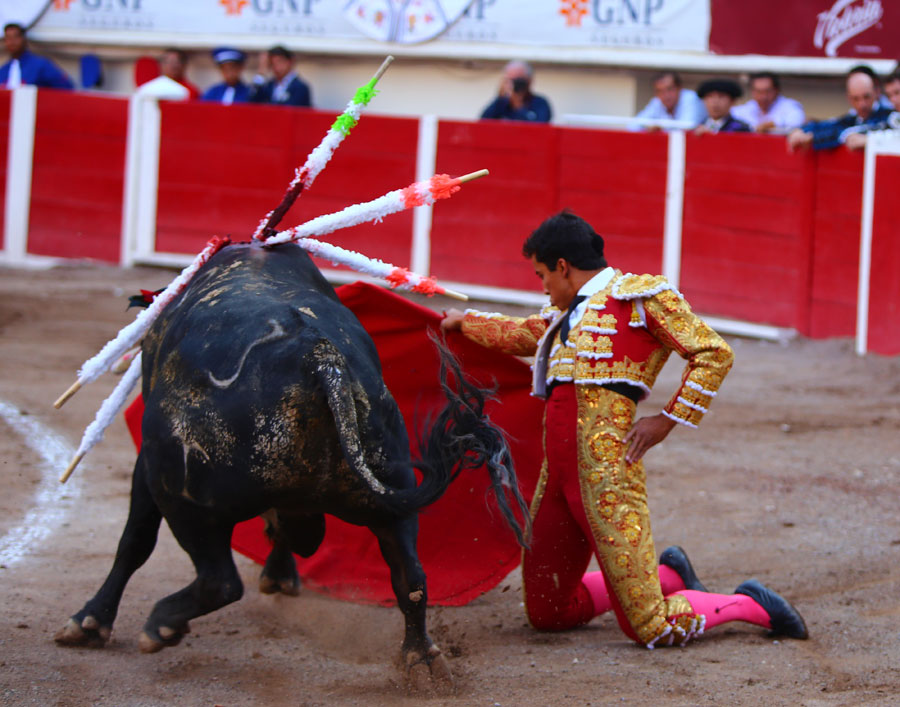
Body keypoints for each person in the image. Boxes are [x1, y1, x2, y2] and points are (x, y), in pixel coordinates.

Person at [441, 211, 808, 648]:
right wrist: (464, 322)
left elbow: (713, 352)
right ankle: (669, 576)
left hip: (608, 479)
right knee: (548, 613)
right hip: (556, 481)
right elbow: (524, 334)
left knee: (651, 627)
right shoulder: (562, 318)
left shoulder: (640, 299)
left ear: (563, 266)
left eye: (542, 274)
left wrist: (666, 420)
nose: (542, 286)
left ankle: (752, 605)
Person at [788, 67, 893, 151]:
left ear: (876, 93)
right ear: (849, 99)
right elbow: (834, 125)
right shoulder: (853, 117)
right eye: (856, 99)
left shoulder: (889, 116)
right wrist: (805, 130)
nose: (862, 104)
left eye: (866, 97)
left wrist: (871, 140)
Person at [0, 22, 73, 89]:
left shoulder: (41, 65)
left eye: (16, 37)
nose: (12, 42)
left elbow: (66, 87)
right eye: (8, 38)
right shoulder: (3, 70)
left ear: (24, 39)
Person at [732, 72, 806, 133]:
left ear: (776, 90)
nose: (763, 97)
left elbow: (795, 126)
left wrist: (771, 125)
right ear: (752, 92)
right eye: (759, 92)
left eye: (767, 91)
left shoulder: (791, 107)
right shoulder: (745, 109)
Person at [480, 60, 552, 123]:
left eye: (517, 81)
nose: (513, 85)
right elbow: (483, 124)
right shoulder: (501, 104)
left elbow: (539, 128)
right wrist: (500, 98)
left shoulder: (540, 103)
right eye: (509, 80)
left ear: (529, 81)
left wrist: (518, 103)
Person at [844, 70, 900, 150]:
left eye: (897, 92)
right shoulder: (893, 117)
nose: (893, 100)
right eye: (889, 95)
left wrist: (868, 140)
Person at [632, 71, 706, 130]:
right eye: (660, 91)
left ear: (679, 88)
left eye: (669, 89)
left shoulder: (690, 98)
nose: (666, 95)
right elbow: (633, 126)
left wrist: (659, 128)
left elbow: (686, 128)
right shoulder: (657, 102)